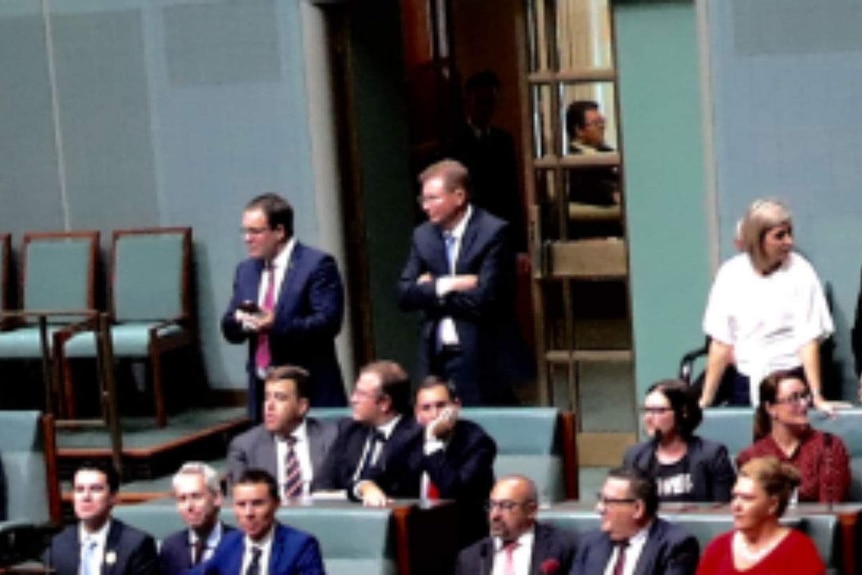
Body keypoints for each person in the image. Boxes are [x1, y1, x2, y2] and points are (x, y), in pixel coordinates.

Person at [397, 159, 519, 405]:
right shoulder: (423, 235)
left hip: (480, 355)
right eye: (424, 199)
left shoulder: (493, 232)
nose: (426, 207)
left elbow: (485, 299)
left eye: (433, 198)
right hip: (435, 355)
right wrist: (447, 285)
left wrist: (429, 291)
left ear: (459, 196)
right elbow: (404, 294)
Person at [699, 198, 836, 412]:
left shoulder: (801, 271)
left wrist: (817, 396)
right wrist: (705, 400)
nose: (789, 242)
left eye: (789, 233)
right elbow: (721, 342)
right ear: (758, 239)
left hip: (790, 377)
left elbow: (808, 340)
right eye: (779, 236)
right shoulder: (730, 274)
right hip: (746, 378)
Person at [221, 192, 347, 422]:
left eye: (255, 231)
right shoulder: (246, 270)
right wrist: (241, 322)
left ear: (279, 231)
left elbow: (328, 322)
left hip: (307, 389)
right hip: (262, 389)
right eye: (245, 231)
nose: (247, 239)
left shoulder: (316, 264)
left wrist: (275, 324)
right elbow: (229, 325)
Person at [695, 457, 825, 575]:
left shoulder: (799, 551)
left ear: (773, 504)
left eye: (747, 498)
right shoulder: (718, 547)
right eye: (735, 496)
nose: (735, 506)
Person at [736, 370, 850, 503]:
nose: (804, 404)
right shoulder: (751, 456)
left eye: (805, 396)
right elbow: (751, 506)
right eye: (794, 398)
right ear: (770, 408)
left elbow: (830, 506)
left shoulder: (828, 446)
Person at [226, 365, 338, 499]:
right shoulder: (244, 447)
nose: (269, 406)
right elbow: (239, 502)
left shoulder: (333, 438)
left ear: (302, 406)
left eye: (280, 398)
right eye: (267, 397)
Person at [321, 360, 423, 505]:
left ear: (384, 403)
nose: (353, 400)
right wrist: (358, 490)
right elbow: (321, 486)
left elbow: (386, 489)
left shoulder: (413, 435)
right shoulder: (349, 429)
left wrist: (358, 488)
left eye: (361, 394)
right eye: (355, 392)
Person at [412, 376, 497, 546]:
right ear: (417, 413)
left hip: (463, 535)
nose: (434, 414)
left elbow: (451, 490)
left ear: (456, 406)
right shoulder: (408, 439)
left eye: (441, 405)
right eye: (426, 408)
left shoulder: (478, 442)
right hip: (416, 531)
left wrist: (431, 441)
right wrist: (365, 486)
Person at [191, 468, 324, 575]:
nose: (248, 513)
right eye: (241, 505)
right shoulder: (229, 543)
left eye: (257, 504)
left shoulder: (300, 546)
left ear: (276, 504)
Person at [449, 70, 526, 253]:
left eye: (491, 102)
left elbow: (511, 192)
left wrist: (520, 244)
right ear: (468, 101)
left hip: (499, 226)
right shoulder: (453, 141)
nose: (486, 109)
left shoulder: (503, 140)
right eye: (480, 102)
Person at [572, 467, 699, 575]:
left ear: (638, 509)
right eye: (600, 499)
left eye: (608, 501)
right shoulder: (589, 542)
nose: (599, 508)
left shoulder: (676, 546)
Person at [623, 379, 735, 502]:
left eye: (658, 411)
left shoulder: (712, 454)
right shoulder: (635, 456)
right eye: (646, 410)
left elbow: (722, 509)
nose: (648, 418)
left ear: (683, 412)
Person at [45, 460, 158, 575]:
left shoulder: (136, 545)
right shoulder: (58, 544)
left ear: (113, 497)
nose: (86, 497)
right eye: (79, 489)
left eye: (95, 489)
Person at [455, 475, 577, 575]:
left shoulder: (564, 547)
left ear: (531, 510)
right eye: (492, 505)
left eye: (506, 506)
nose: (495, 515)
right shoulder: (471, 557)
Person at [159, 462, 234, 575]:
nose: (189, 506)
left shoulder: (239, 544)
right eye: (182, 499)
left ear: (217, 498)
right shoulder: (171, 547)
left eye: (196, 496)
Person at [565, 100, 620, 208]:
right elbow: (583, 189)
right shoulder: (570, 159)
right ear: (579, 130)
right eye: (596, 123)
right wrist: (612, 194)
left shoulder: (609, 152)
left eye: (602, 121)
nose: (602, 126)